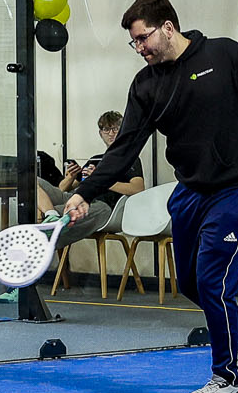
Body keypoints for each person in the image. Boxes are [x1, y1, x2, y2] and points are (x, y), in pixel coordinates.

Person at [65, 0, 238, 393]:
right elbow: (123, 149)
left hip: (236, 187)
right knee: (191, 283)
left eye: (143, 38)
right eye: (134, 43)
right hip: (190, 193)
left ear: (168, 27)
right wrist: (84, 192)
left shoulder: (224, 55)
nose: (139, 48)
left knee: (214, 282)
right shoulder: (145, 85)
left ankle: (228, 379)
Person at [17, 111, 145, 299]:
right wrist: (70, 177)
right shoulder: (95, 159)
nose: (110, 133)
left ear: (123, 129)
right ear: (100, 133)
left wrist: (101, 180)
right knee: (30, 180)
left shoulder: (129, 157)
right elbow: (62, 189)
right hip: (76, 197)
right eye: (106, 129)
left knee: (44, 219)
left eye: (115, 128)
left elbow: (138, 189)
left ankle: (24, 276)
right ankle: (50, 213)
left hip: (104, 207)